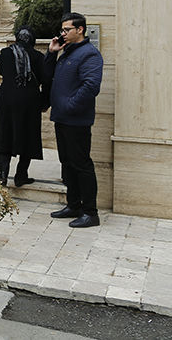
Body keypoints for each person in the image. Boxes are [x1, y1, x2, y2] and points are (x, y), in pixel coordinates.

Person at [45, 12, 103, 229]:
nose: (63, 33)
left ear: (80, 29)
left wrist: (70, 106)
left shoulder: (90, 54)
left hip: (77, 120)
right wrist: (51, 53)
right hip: (62, 118)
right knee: (67, 163)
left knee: (81, 164)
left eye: (67, 29)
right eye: (62, 30)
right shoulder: (66, 52)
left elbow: (91, 86)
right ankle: (74, 205)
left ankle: (90, 212)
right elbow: (46, 76)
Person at [0, 26, 47, 187]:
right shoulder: (38, 56)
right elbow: (45, 78)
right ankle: (21, 175)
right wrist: (45, 102)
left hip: (7, 99)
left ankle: (2, 176)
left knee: (5, 135)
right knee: (28, 137)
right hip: (29, 102)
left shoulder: (6, 53)